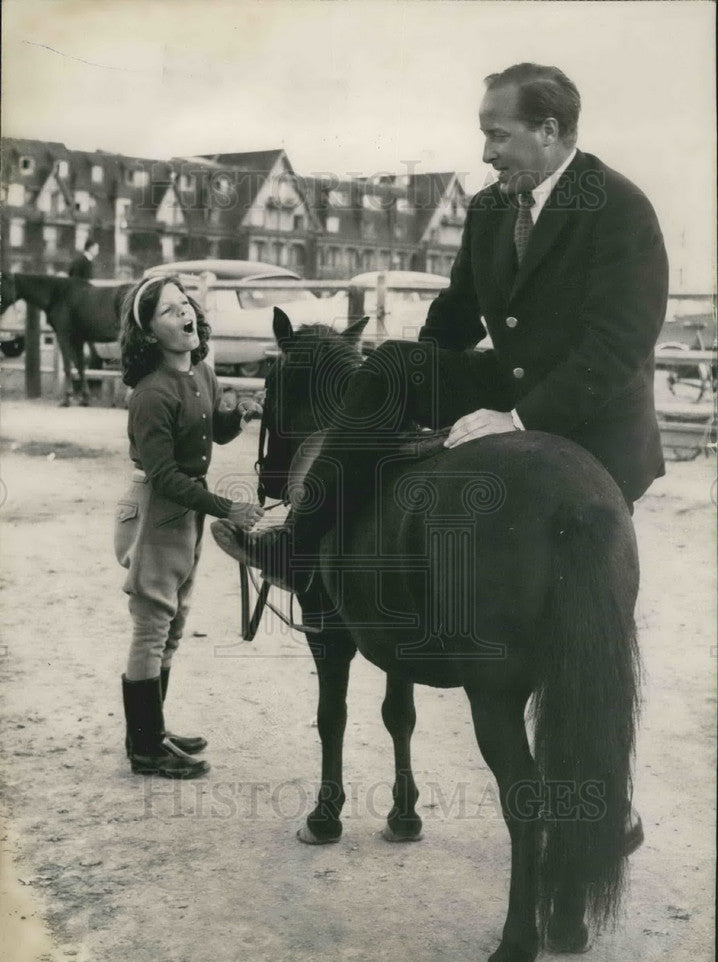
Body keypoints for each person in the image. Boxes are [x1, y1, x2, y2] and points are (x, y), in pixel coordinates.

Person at [212, 62, 669, 590]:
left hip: (595, 412)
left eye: (498, 135)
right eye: (484, 136)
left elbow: (618, 346)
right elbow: (457, 312)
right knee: (393, 363)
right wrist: (420, 379)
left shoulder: (620, 207)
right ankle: (298, 543)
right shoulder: (491, 208)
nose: (486, 154)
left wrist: (518, 419)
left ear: (548, 131)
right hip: (512, 378)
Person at [115, 274, 263, 779]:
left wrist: (237, 415)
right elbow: (164, 475)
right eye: (168, 311)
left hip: (187, 507)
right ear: (150, 333)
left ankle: (152, 731)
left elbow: (212, 434)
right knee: (153, 623)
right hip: (160, 508)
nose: (184, 314)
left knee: (174, 622)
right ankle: (145, 747)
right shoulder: (150, 394)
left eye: (185, 304)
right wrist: (229, 508)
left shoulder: (201, 372)